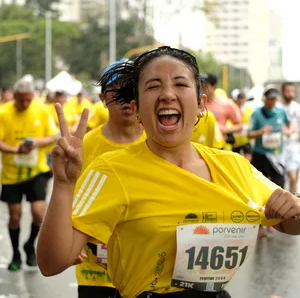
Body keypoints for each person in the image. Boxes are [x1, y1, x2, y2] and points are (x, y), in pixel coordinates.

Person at [37, 47, 300, 298]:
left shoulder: (233, 167)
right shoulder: (111, 171)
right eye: (153, 86)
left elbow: (290, 223)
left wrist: (294, 206)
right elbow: (52, 263)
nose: (167, 94)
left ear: (200, 104)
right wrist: (63, 183)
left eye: (180, 84)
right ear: (137, 108)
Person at [75, 59, 145, 298]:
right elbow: (68, 199)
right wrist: (68, 240)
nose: (126, 99)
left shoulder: (161, 145)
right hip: (95, 268)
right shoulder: (84, 146)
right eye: (118, 91)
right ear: (103, 98)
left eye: (132, 90)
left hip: (145, 264)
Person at [0, 79, 58, 271]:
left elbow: (53, 136)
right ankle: (16, 254)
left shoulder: (41, 110)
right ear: (13, 97)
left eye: (28, 100)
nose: (25, 104)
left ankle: (29, 245)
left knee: (38, 213)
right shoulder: (4, 112)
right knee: (15, 216)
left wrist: (36, 143)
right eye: (20, 101)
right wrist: (15, 149)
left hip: (36, 171)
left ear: (32, 97)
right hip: (11, 174)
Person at [248, 87, 292, 188]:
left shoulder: (281, 112)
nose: (272, 102)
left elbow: (290, 123)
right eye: (270, 99)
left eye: (274, 99)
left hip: (277, 155)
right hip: (261, 155)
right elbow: (248, 134)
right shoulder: (256, 113)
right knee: (260, 186)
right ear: (265, 99)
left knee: (279, 185)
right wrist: (261, 131)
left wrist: (289, 131)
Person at [203, 73, 242, 145]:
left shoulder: (226, 103)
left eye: (205, 86)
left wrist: (224, 129)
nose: (201, 88)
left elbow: (239, 126)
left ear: (214, 86)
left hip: (219, 147)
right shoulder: (194, 104)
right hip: (199, 147)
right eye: (199, 85)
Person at [279, 82, 300, 193]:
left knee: (293, 177)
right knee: (280, 178)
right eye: (287, 91)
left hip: (293, 147)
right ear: (282, 92)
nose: (290, 94)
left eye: (292, 91)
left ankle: (294, 200)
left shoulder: (297, 108)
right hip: (279, 148)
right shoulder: (277, 108)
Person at [231, 92, 253, 161]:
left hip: (245, 138)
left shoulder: (248, 109)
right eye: (240, 99)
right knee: (236, 158)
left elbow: (250, 121)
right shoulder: (233, 108)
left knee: (248, 158)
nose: (241, 101)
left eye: (242, 99)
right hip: (236, 139)